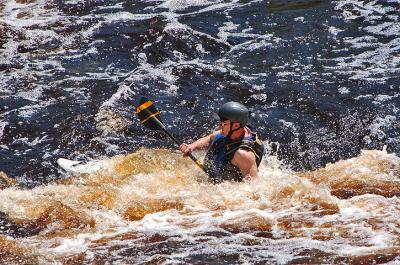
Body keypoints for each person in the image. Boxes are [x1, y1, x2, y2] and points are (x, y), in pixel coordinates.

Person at [179, 101, 265, 183]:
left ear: (236, 125)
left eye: (223, 123)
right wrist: (192, 146)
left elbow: (253, 189)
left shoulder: (244, 154)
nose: (219, 125)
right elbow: (210, 138)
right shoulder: (231, 131)